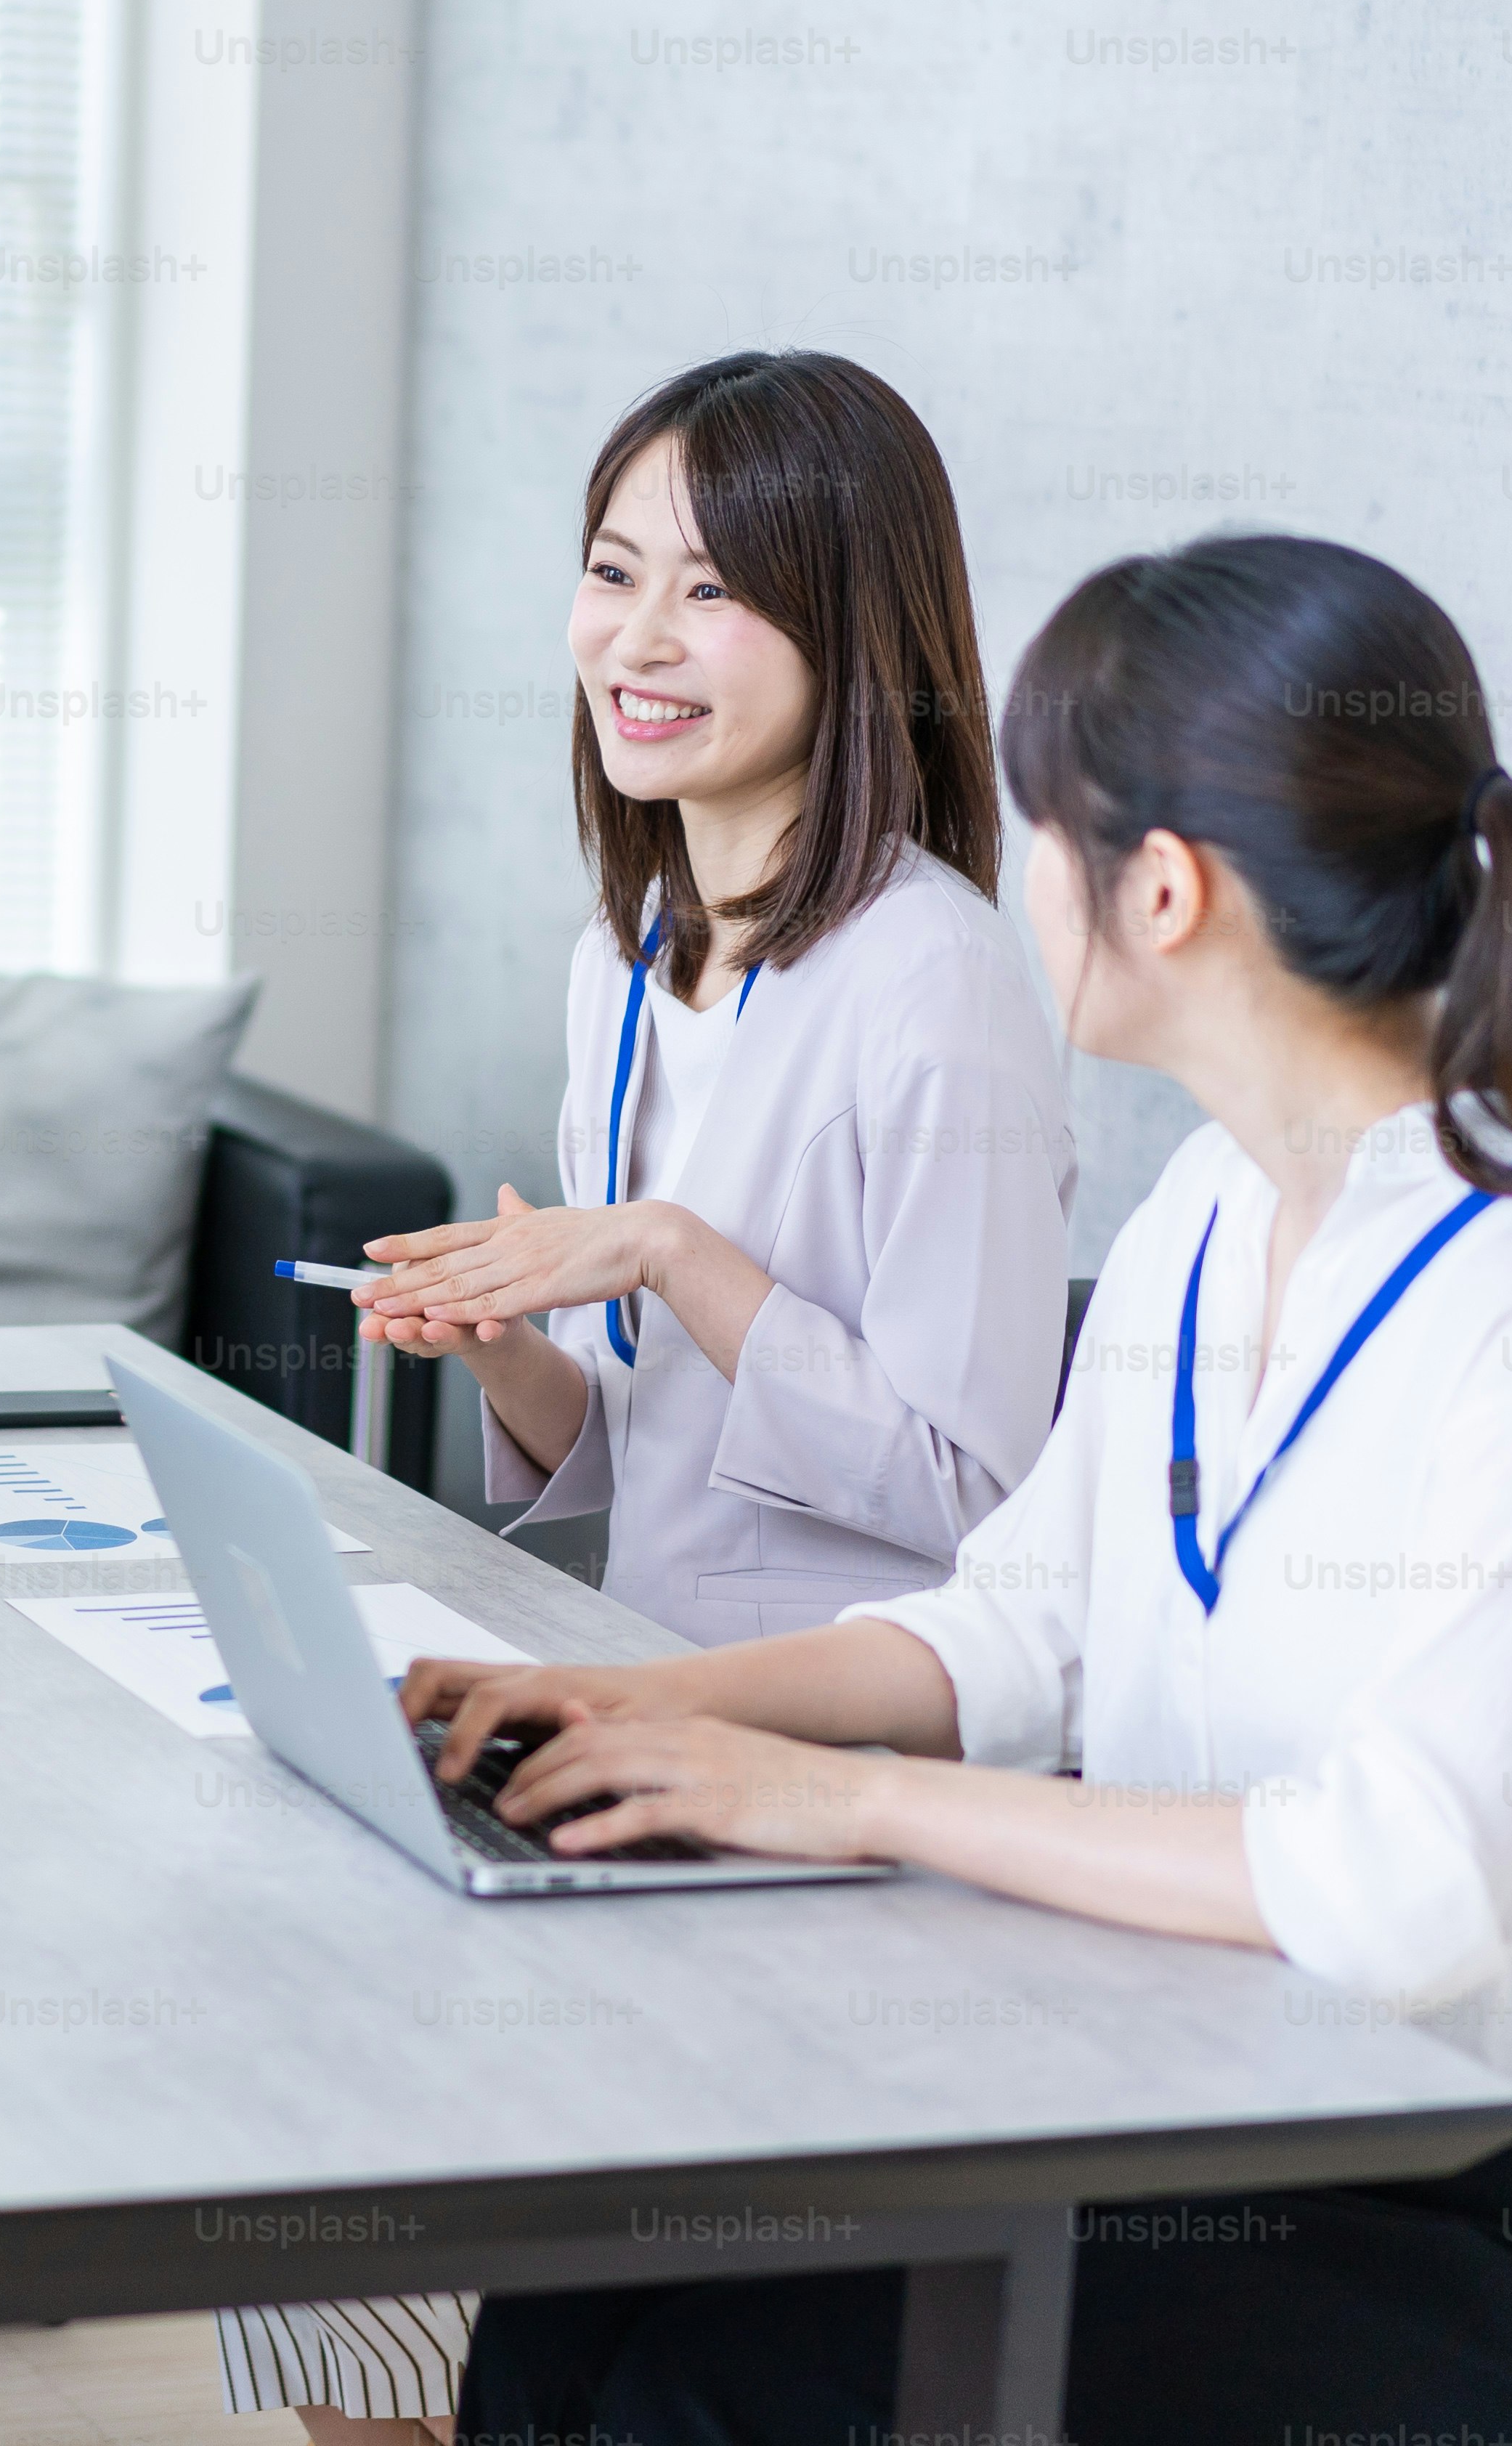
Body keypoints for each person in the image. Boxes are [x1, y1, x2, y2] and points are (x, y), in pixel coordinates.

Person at [417, 533, 1512, 2446]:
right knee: (577, 2310)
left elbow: (1399, 1888)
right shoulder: (1212, 1213)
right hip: (1207, 2092)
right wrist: (645, 1707)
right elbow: (1024, 1631)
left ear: (1162, 893)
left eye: (1036, 831)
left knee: (727, 2384)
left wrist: (851, 1804)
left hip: (1484, 2223)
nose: (1013, 884)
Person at [221, 354, 1078, 2445]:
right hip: (634, 1674)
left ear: (850, 629)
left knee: (367, 2065)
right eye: (613, 575)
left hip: (810, 1754)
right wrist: (508, 1336)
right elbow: (623, 1461)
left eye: (714, 592)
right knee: (278, 1959)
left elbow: (987, 1507)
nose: (641, 640)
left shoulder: (942, 981)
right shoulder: (633, 942)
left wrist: (668, 1253)